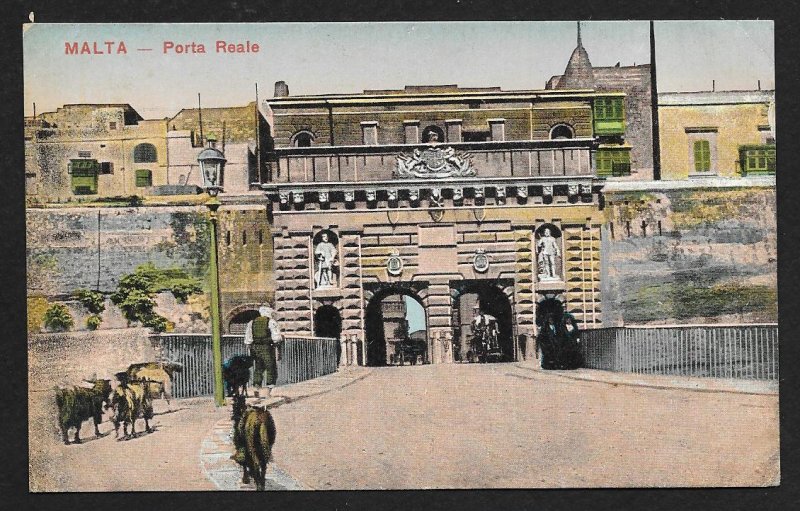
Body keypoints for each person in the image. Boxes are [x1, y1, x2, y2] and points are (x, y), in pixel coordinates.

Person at [244, 305, 283, 398]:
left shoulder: (252, 322)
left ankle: (256, 387)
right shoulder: (271, 322)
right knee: (271, 367)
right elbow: (276, 337)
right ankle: (268, 390)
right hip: (267, 347)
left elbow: (248, 338)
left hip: (255, 348)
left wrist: (250, 346)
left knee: (258, 368)